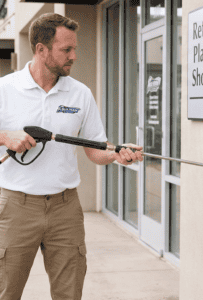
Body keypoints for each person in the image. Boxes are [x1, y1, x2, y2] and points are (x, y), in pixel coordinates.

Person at [0, 13, 143, 300]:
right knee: (6, 292)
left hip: (66, 209)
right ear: (41, 50)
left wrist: (116, 154)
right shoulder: (6, 88)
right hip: (16, 206)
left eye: (74, 48)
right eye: (66, 49)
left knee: (69, 294)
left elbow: (95, 148)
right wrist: (6, 136)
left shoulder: (80, 94)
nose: (74, 56)